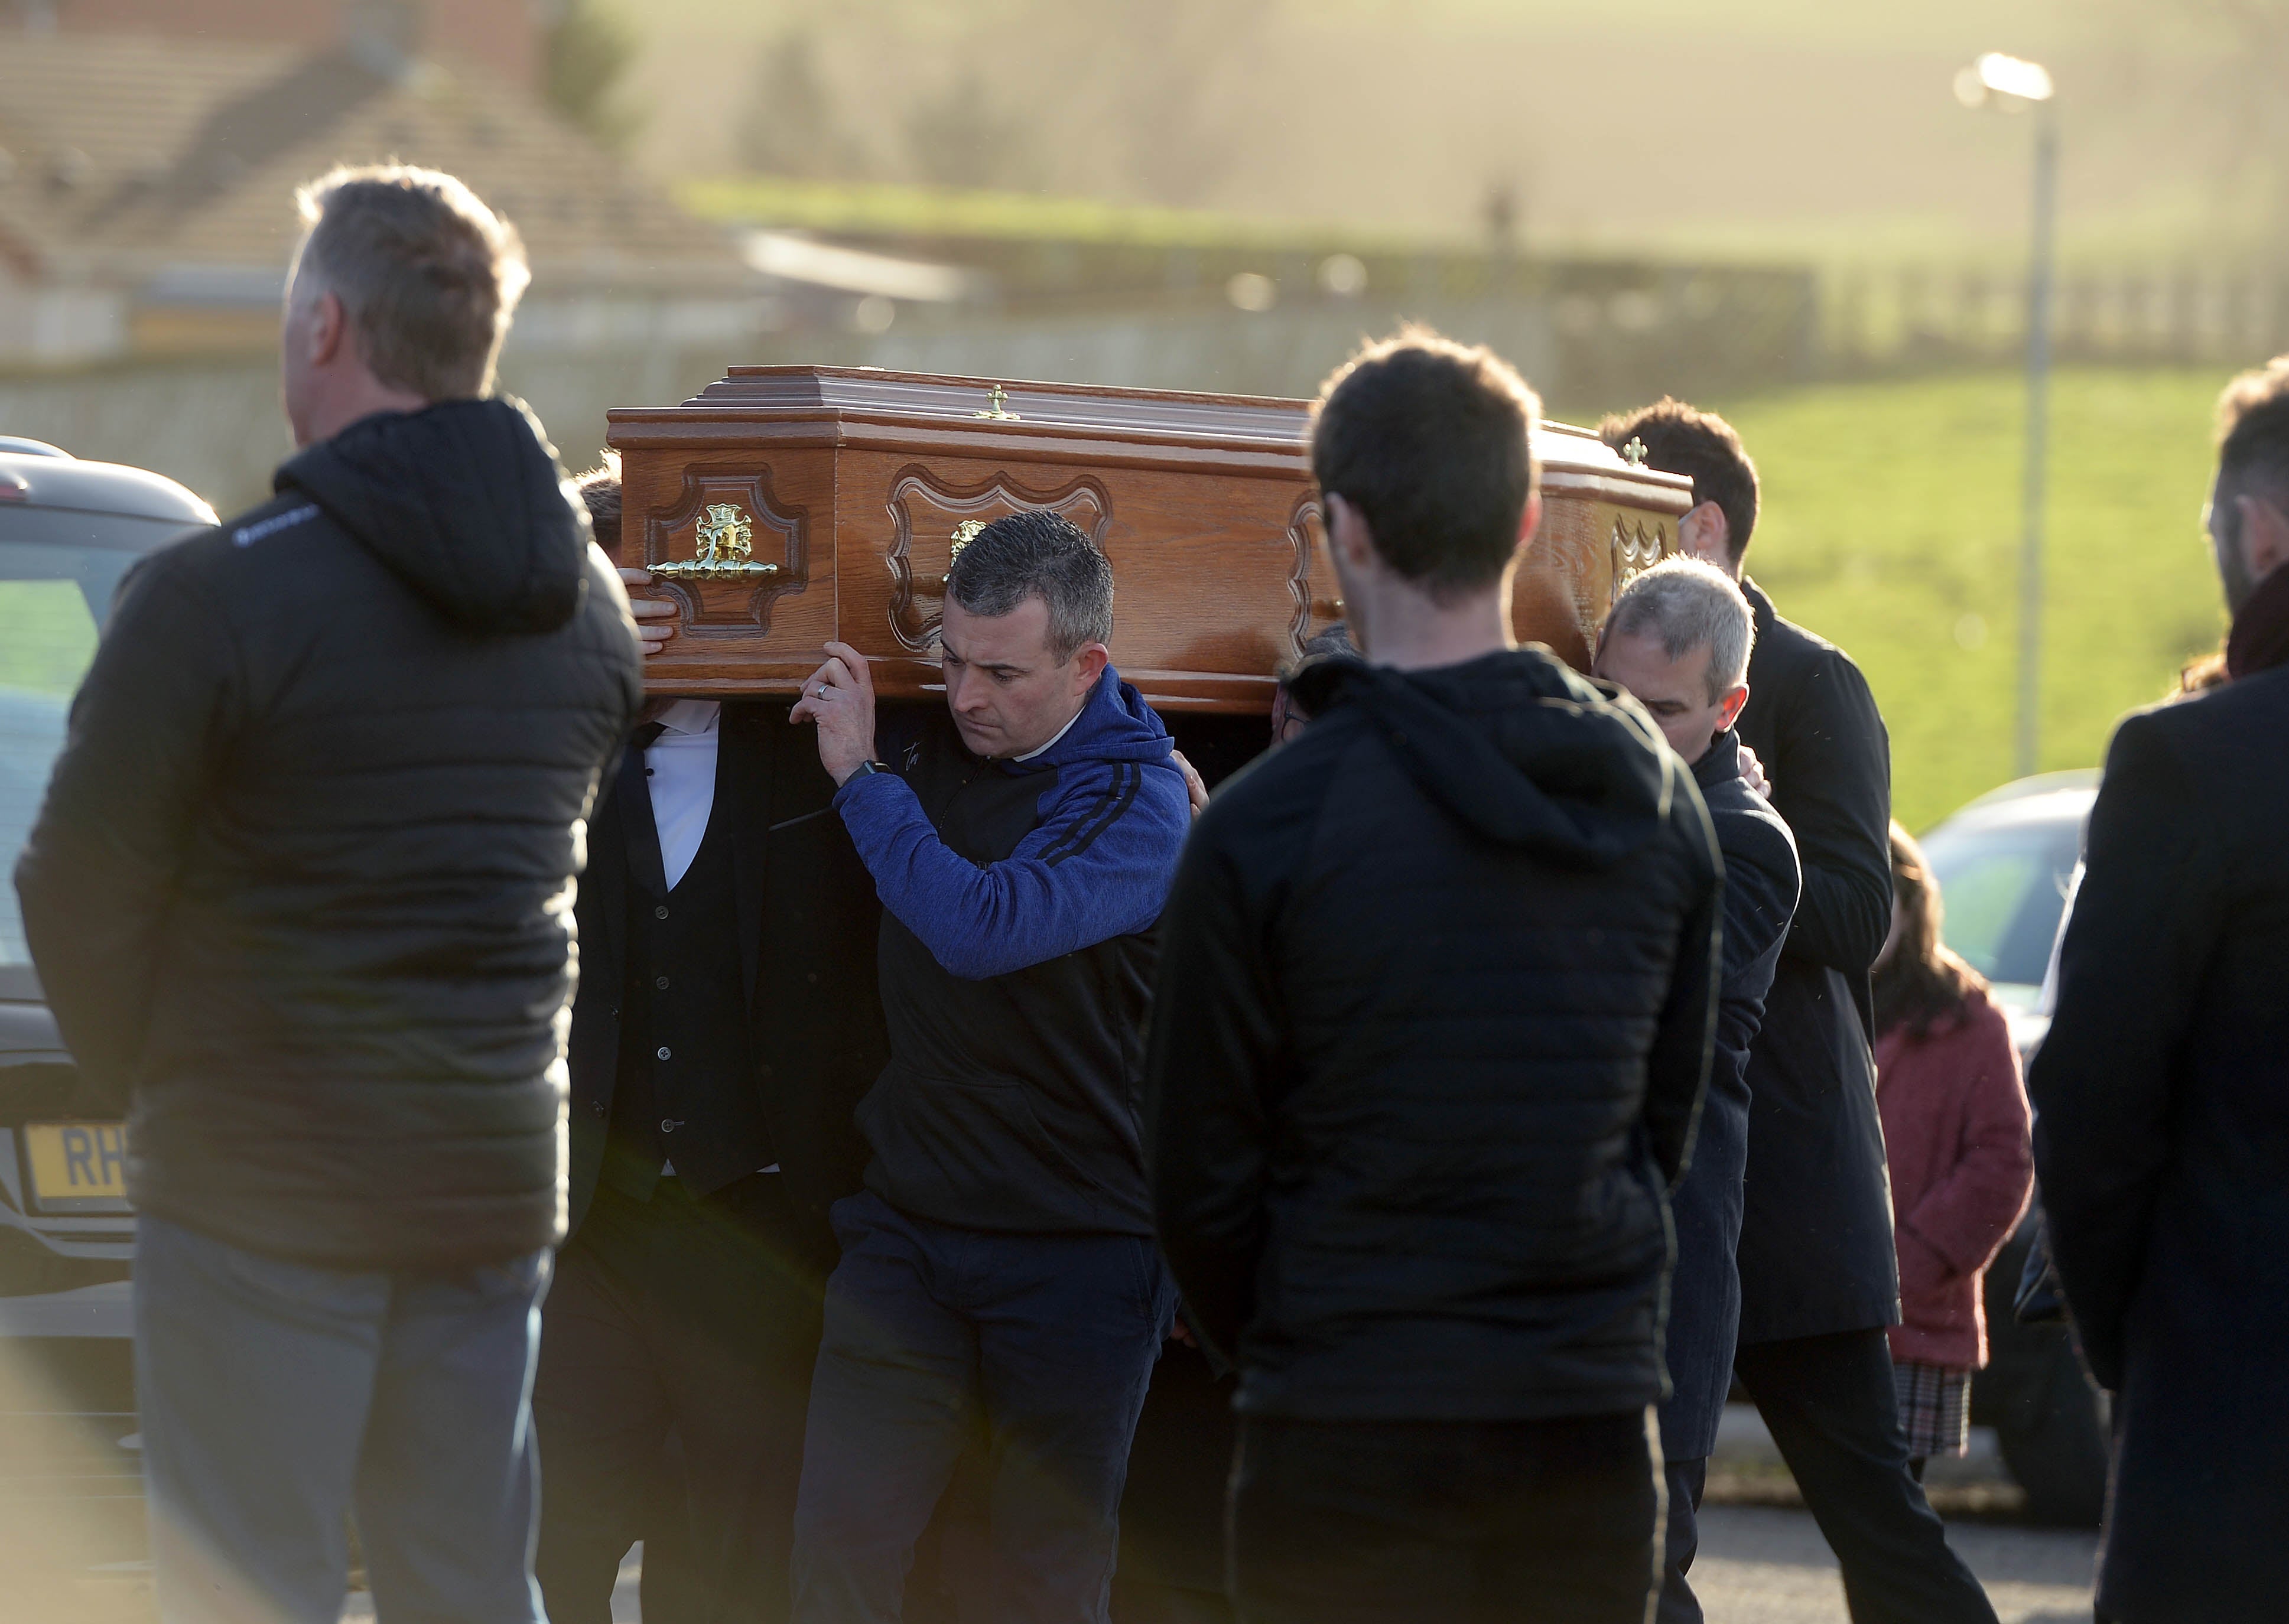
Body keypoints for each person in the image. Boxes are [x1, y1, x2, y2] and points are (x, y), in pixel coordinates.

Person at [12, 165, 643, 1624]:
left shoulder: (220, 595)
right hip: (486, 1193)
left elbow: (74, 883)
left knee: (250, 1583)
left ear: (324, 328)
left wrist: (158, 1085)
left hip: (255, 1190)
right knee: (466, 1582)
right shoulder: (591, 610)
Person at [1147, 330, 1723, 1624]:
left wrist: (1294, 1338)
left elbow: (1196, 1172)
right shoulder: (1651, 798)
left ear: (1339, 529)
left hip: (1344, 1418)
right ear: (1524, 520)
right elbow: (1661, 1127)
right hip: (1582, 1426)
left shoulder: (1260, 827)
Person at [1604, 398, 1996, 1624]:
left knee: (1872, 1524)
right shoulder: (1611, 668)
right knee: (1638, 1537)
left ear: (1700, 523)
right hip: (1667, 1172)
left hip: (1782, 1174)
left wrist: (1719, 832)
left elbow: (1850, 914)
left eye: (1632, 524)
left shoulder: (1812, 682)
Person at [783, 510, 1192, 1623]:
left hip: (1078, 1254)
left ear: (1085, 665)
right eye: (949, 661)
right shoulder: (933, 729)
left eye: (1001, 671)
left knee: (1040, 1580)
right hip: (907, 1232)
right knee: (835, 1550)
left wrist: (863, 778)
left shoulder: (1138, 798)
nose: (965, 695)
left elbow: (980, 927)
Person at [529, 463, 886, 1624]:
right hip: (589, 1232)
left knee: (725, 1562)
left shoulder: (809, 751)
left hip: (758, 1229)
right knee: (553, 1540)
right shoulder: (543, 754)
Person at [2030, 360, 2289, 1622]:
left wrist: (2139, 1344)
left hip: (2233, 1435)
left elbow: (2087, 1100)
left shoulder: (2192, 765)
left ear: (2256, 528)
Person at [1589, 557, 1800, 1622]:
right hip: (1554, 1265)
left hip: (1661, 1262)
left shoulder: (1749, 841)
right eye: (1610, 700)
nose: (1628, 732)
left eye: (1661, 711)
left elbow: (1604, 978)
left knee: (1640, 1573)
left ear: (1728, 709)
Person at [1868, 823, 2033, 1480]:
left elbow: (2003, 1160)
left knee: (1891, 1516)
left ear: (1912, 904)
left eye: (1881, 893)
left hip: (1918, 1319)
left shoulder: (1968, 1018)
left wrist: (1918, 1257)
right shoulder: (1821, 1001)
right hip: (1823, 1318)